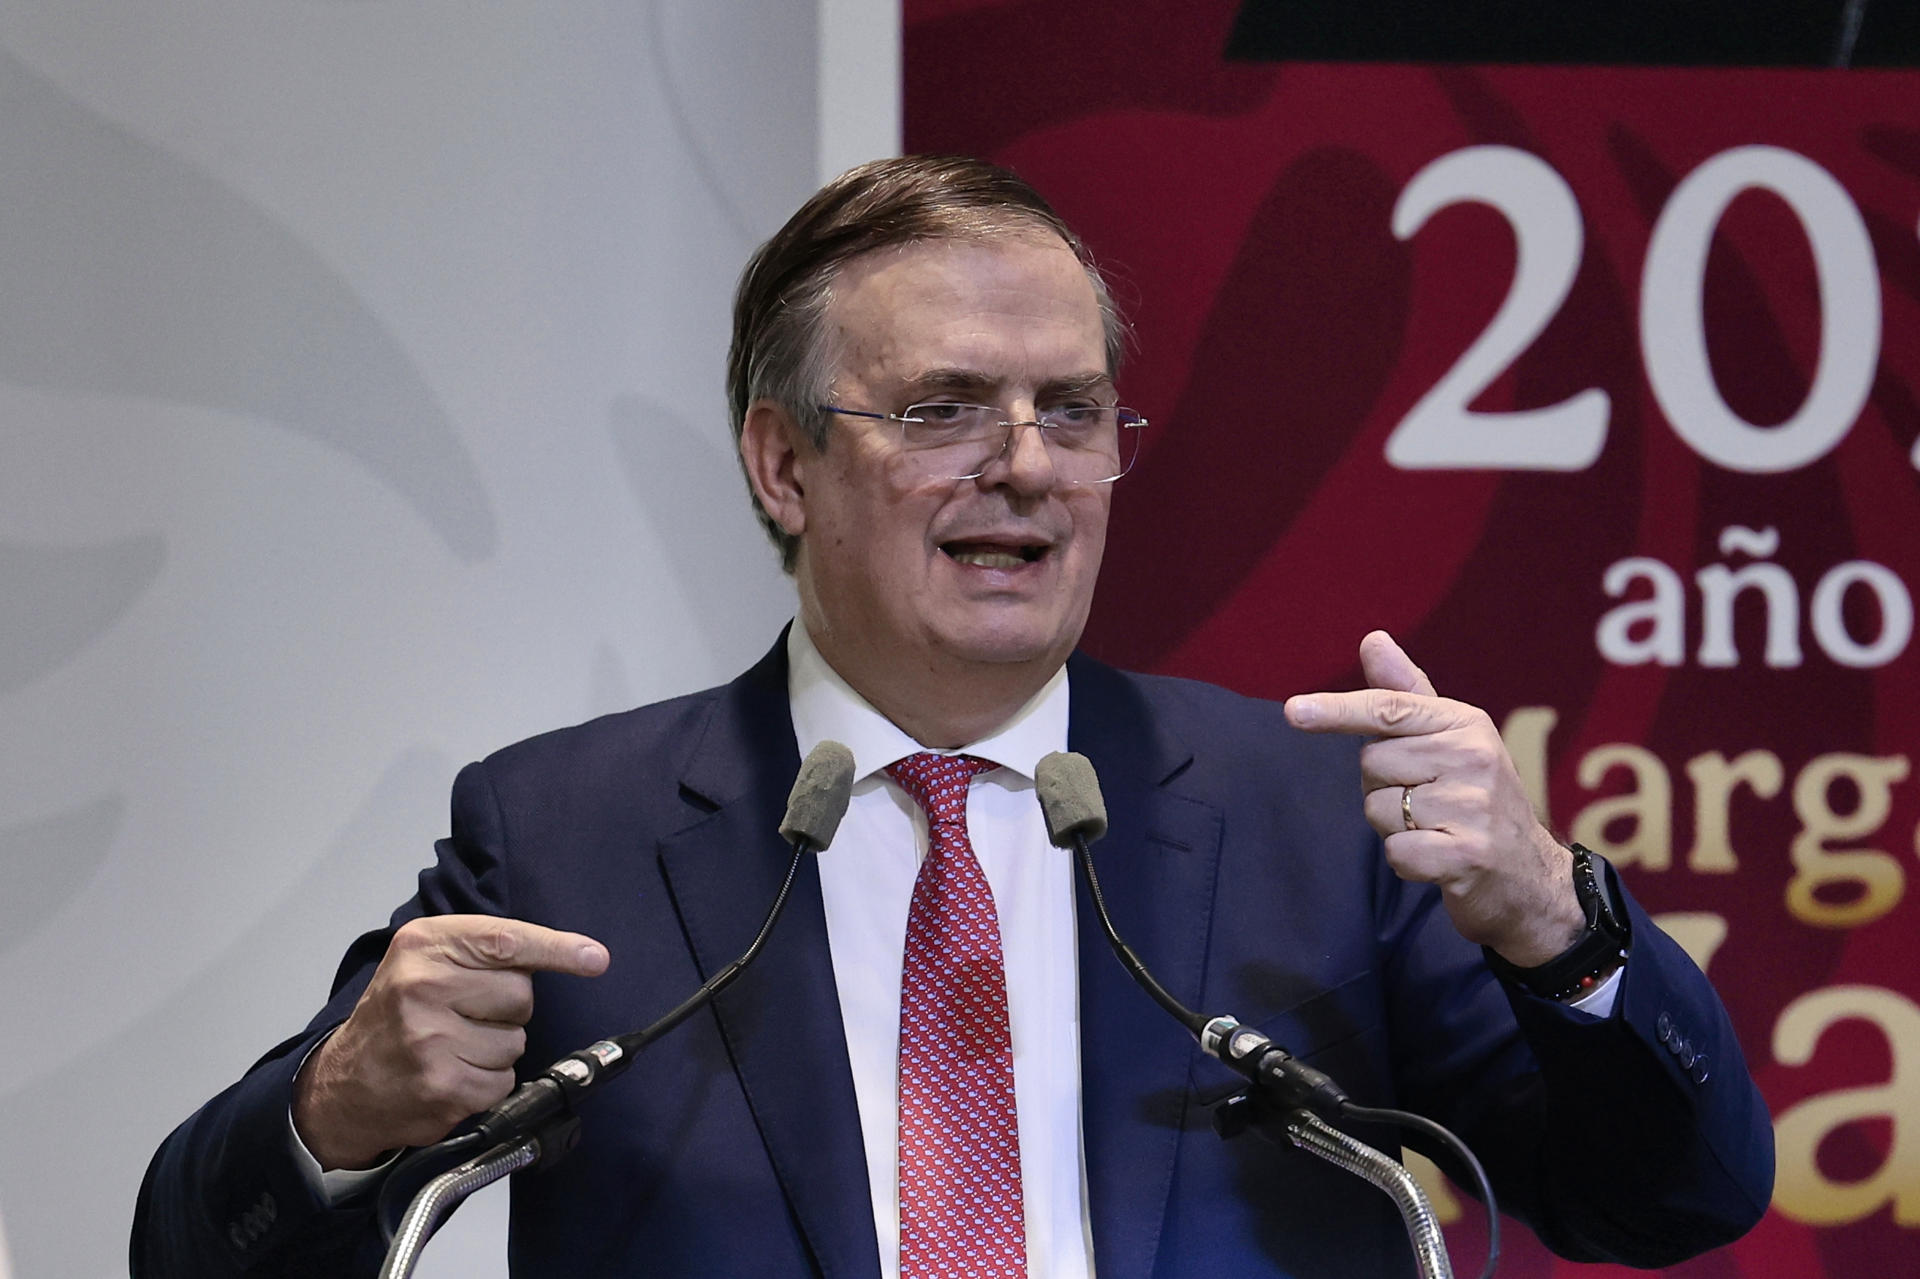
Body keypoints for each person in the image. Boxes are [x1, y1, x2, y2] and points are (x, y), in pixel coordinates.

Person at [132, 155, 1773, 1278]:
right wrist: (340, 1113)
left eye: (1073, 409)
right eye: (943, 410)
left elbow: (1679, 1200)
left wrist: (1558, 926)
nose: (1028, 465)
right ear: (784, 464)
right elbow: (198, 1252)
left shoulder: (1303, 816)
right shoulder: (569, 834)